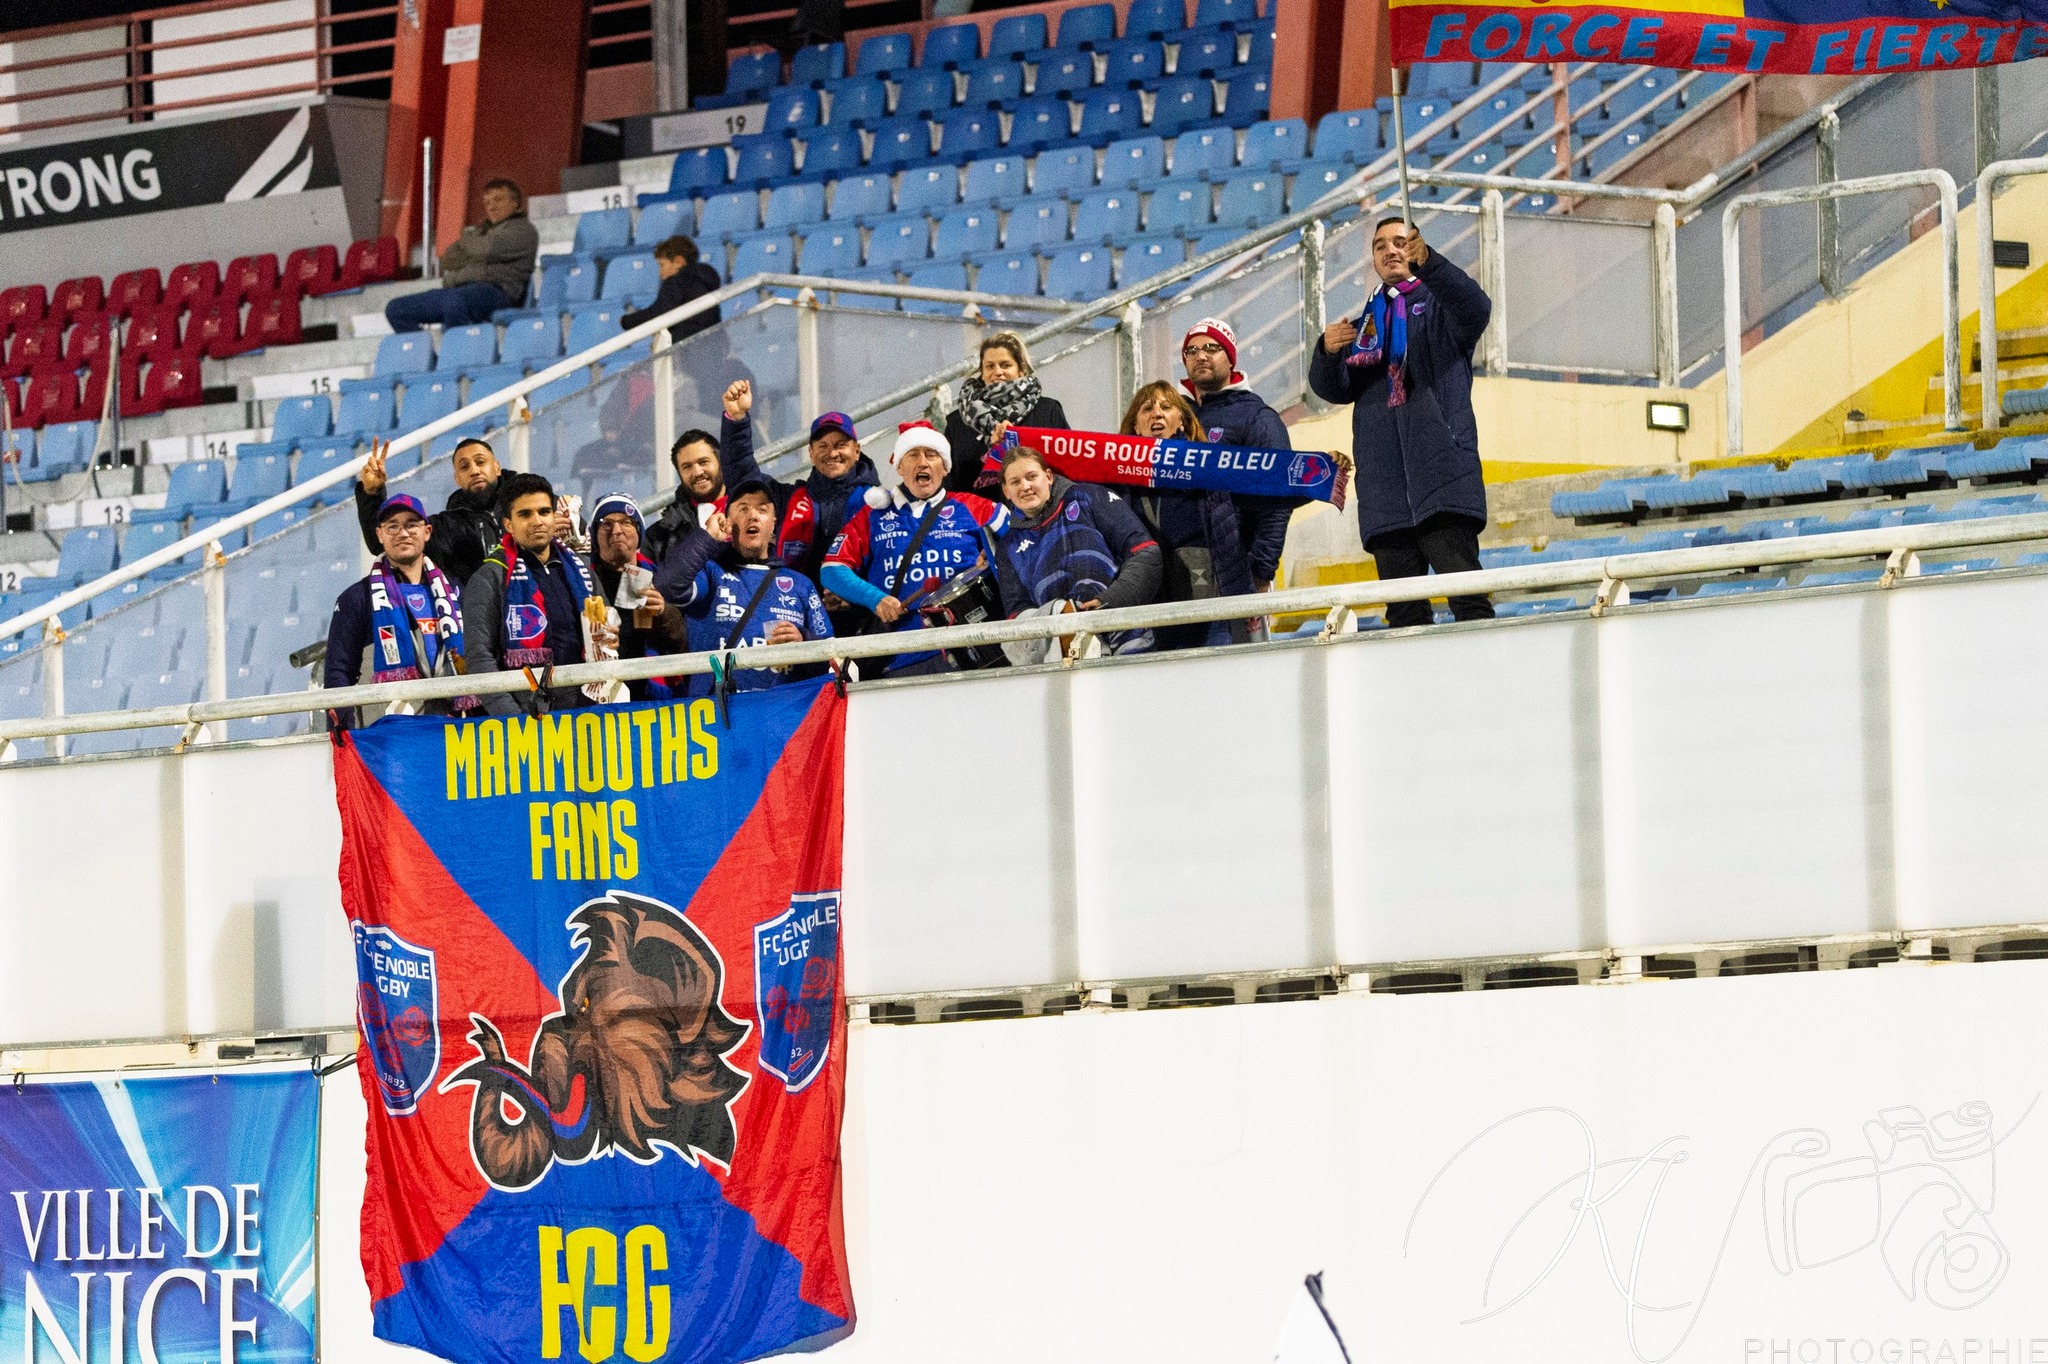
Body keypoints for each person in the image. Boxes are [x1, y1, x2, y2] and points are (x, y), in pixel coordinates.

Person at [1308, 218, 1494, 629]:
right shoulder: (1367, 325)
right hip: (1385, 496)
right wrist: (1326, 353)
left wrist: (1431, 264)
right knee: (1404, 618)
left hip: (1443, 482)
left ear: (1414, 247)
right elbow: (1334, 389)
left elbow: (1476, 308)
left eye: (1398, 241)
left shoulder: (1441, 308)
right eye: (1379, 246)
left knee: (1469, 603)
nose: (1390, 250)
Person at [822, 422, 1006, 676]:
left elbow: (1024, 537)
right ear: (899, 466)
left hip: (972, 652)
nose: (923, 463)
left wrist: (996, 554)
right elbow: (831, 569)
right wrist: (875, 599)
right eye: (912, 455)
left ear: (945, 467)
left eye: (932, 455)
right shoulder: (872, 515)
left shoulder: (974, 507)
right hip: (902, 659)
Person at [703, 393, 881, 633]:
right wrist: (737, 421)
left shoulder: (879, 505)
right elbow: (742, 474)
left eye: (841, 445)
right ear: (811, 453)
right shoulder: (787, 499)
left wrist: (855, 597)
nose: (832, 453)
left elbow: (888, 568)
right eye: (823, 446)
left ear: (857, 451)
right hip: (795, 627)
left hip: (866, 628)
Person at [1115, 381, 1258, 652]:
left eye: (1166, 407)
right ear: (1136, 426)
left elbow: (1265, 495)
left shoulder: (1209, 466)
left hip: (1210, 605)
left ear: (1181, 421)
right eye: (1147, 409)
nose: (1157, 414)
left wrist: (1322, 472)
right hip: (1150, 611)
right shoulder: (1118, 480)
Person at [659, 475, 835, 693]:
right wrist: (708, 537)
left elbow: (832, 657)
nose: (753, 516)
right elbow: (667, 585)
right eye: (743, 509)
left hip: (782, 709)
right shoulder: (711, 572)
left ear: (773, 523)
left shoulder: (801, 585)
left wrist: (804, 643)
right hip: (718, 709)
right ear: (727, 521)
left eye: (762, 510)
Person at [990, 445, 1161, 665]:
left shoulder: (1089, 497)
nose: (1025, 486)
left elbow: (1146, 553)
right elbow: (1017, 614)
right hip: (1063, 656)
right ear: (1006, 491)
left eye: (1032, 476)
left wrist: (1108, 602)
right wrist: (1061, 615)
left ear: (1048, 476)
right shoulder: (1008, 547)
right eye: (1015, 482)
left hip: (1126, 633)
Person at [462, 472, 612, 715]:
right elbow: (479, 658)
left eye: (544, 512)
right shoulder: (489, 578)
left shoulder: (583, 571)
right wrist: (513, 718)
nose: (537, 521)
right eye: (525, 514)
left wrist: (609, 640)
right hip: (527, 718)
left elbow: (607, 636)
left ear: (554, 516)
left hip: (589, 710)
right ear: (508, 524)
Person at [323, 492, 469, 725]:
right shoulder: (357, 597)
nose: (403, 533)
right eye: (393, 526)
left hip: (454, 727)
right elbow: (338, 672)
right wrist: (342, 731)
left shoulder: (455, 591)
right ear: (379, 534)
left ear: (427, 532)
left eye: (412, 525)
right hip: (387, 730)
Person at [1178, 317, 1297, 594]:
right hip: (1179, 567)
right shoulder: (1172, 415)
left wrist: (1261, 569)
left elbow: (1279, 497)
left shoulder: (1256, 417)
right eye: (1192, 350)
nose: (1201, 356)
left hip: (1238, 569)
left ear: (1230, 358)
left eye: (1211, 348)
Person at [385, 178, 539, 332]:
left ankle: (466, 344)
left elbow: (485, 250)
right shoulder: (480, 232)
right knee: (396, 309)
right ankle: (427, 346)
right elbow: (448, 260)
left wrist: (465, 247)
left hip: (497, 293)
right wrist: (473, 251)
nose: (491, 207)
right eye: (487, 203)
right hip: (459, 291)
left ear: (515, 203)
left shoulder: (524, 231)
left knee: (453, 302)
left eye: (498, 200)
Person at [354, 436, 503, 586]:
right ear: (457, 478)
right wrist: (371, 493)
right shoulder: (445, 528)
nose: (474, 471)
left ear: (497, 467)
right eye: (464, 467)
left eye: (480, 462)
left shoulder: (516, 507)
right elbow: (383, 542)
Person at [586, 492, 689, 699]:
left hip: (653, 695)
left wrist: (664, 612)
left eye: (626, 523)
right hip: (599, 693)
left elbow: (686, 643)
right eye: (606, 524)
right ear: (595, 534)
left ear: (639, 532)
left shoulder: (662, 579)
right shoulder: (581, 579)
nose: (616, 531)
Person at [943, 332, 1069, 498]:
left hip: (1037, 511)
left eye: (1005, 365)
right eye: (990, 366)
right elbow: (949, 481)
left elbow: (1067, 467)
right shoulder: (958, 422)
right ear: (982, 372)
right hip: (974, 512)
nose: (997, 372)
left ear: (1021, 370)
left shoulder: (1047, 411)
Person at [643, 380, 750, 565]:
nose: (697, 472)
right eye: (687, 467)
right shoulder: (660, 536)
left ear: (721, 463)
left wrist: (738, 419)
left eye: (703, 462)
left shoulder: (754, 512)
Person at [621, 236, 723, 342]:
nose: (660, 274)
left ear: (679, 261)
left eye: (662, 265)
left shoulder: (676, 282)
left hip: (689, 346)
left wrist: (627, 321)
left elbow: (659, 312)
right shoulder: (706, 280)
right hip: (716, 343)